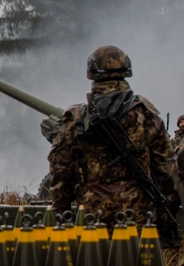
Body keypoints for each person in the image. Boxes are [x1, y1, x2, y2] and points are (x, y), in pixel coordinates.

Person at [47, 46, 178, 233]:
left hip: (91, 219)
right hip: (138, 219)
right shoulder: (147, 117)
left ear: (91, 72)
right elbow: (167, 172)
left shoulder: (76, 119)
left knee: (93, 262)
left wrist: (63, 216)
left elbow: (60, 171)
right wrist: (164, 217)